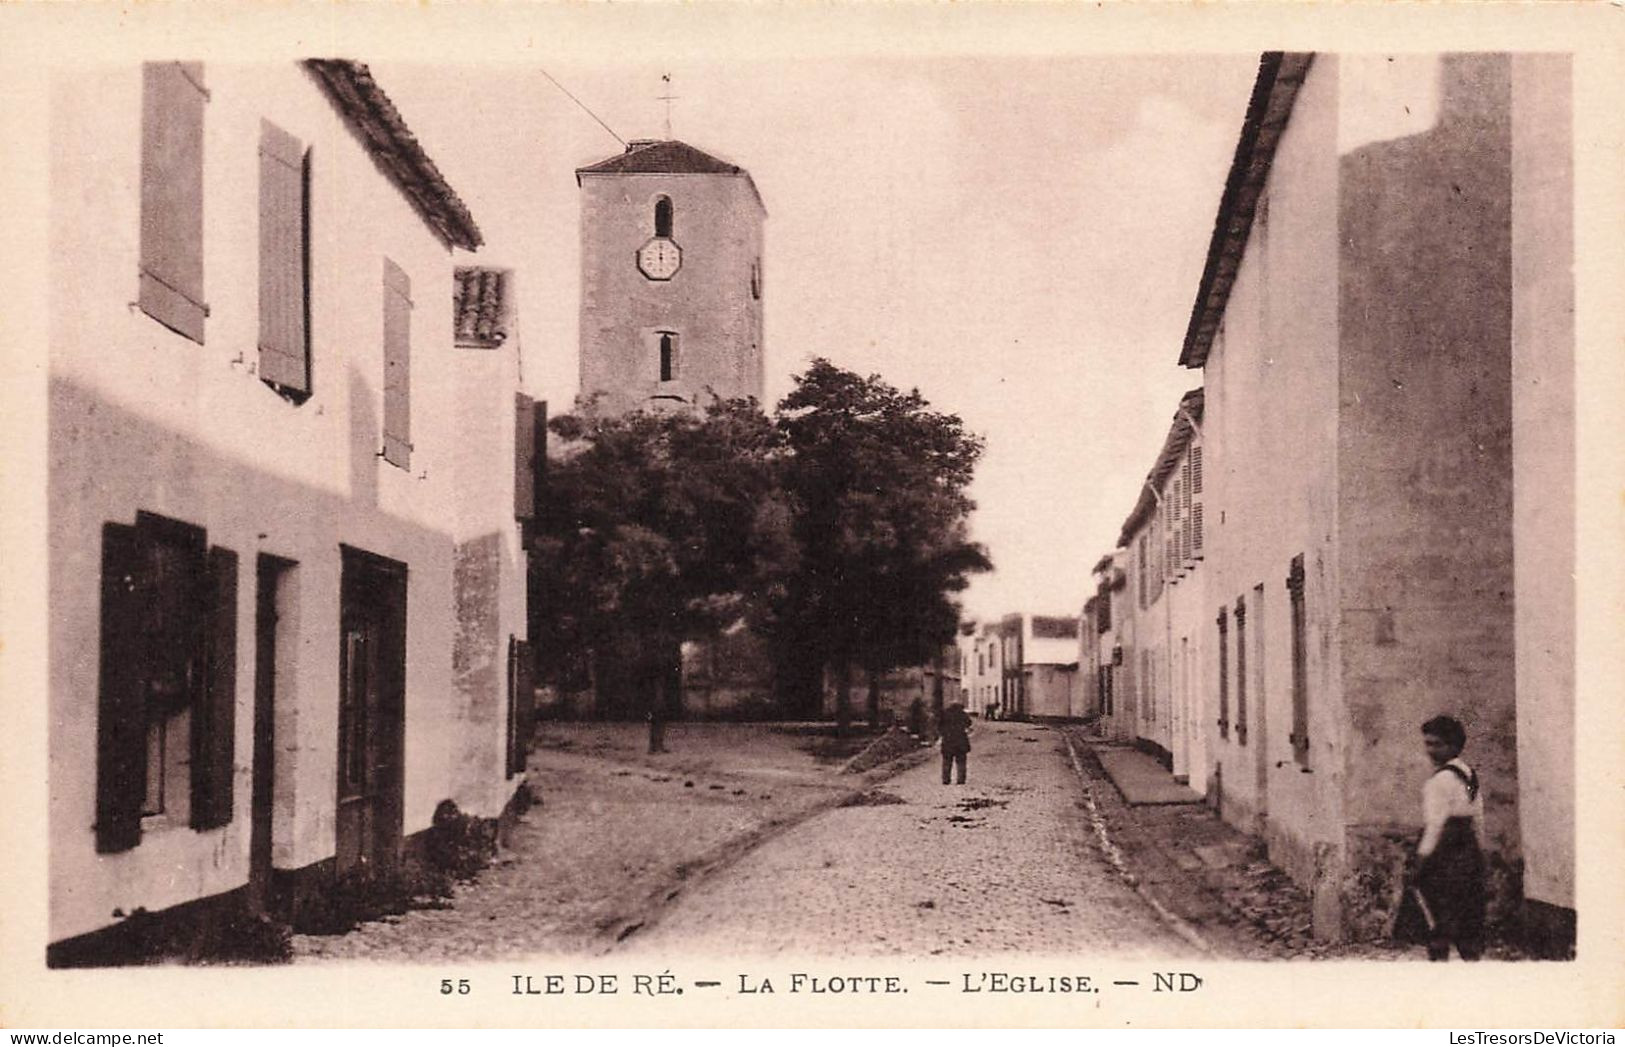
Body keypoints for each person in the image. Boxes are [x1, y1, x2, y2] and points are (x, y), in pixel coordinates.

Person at [1396, 715, 1486, 961]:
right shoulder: (1469, 775)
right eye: (1428, 744)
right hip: (1467, 855)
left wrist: (1420, 863)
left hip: (1443, 857)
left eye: (1437, 744)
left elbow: (1435, 827)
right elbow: (1478, 818)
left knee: (1437, 921)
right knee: (1466, 920)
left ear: (1454, 746)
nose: (1430, 750)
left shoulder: (1438, 782)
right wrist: (1480, 853)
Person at [940, 702, 972, 785]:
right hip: (960, 741)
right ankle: (961, 780)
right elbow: (969, 723)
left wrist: (943, 733)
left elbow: (939, 725)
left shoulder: (945, 714)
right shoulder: (962, 714)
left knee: (947, 761)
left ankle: (946, 779)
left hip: (948, 740)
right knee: (961, 762)